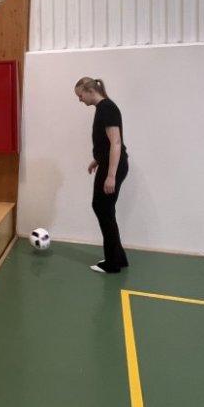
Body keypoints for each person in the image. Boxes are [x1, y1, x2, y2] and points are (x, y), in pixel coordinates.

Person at [75, 77, 129, 273]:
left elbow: (116, 142)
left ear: (90, 91)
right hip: (107, 164)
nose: (80, 100)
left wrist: (111, 175)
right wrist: (97, 160)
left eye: (80, 95)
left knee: (102, 208)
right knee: (106, 209)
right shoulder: (103, 108)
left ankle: (112, 263)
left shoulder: (106, 108)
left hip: (113, 167)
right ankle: (118, 258)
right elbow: (106, 143)